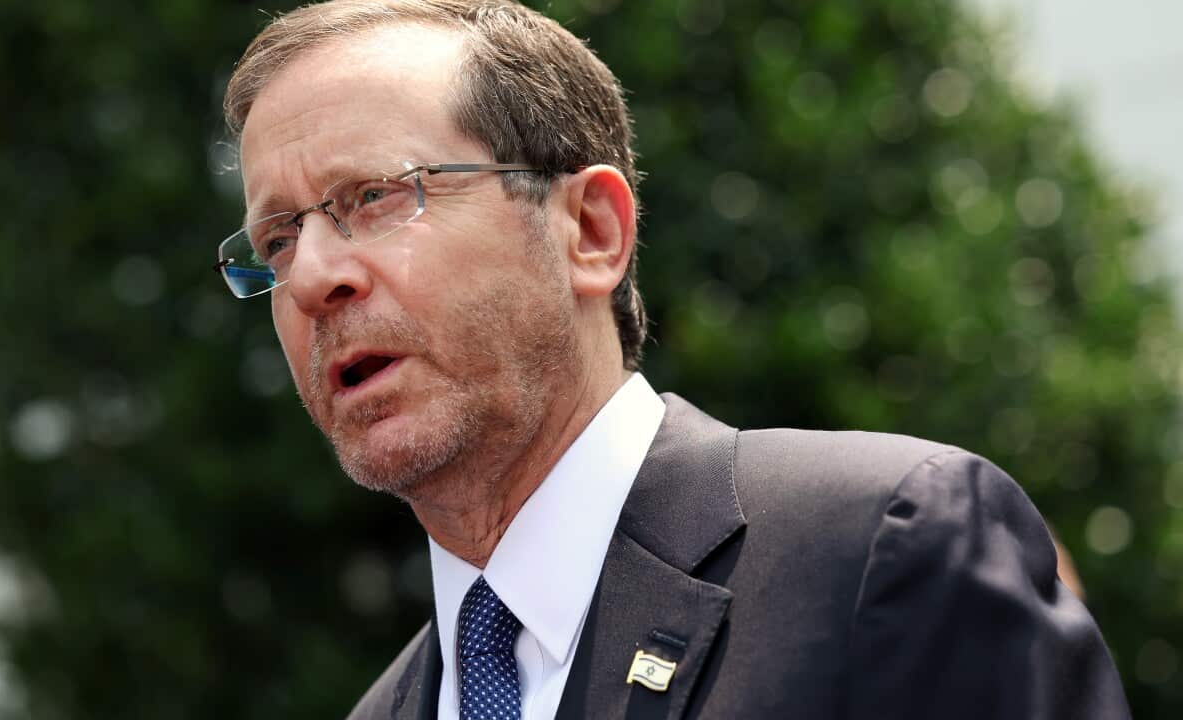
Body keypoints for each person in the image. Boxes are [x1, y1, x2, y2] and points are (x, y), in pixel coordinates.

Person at [215, 1, 1130, 718]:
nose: (313, 279)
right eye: (279, 238)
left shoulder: (879, 550)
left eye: (374, 196)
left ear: (590, 231)